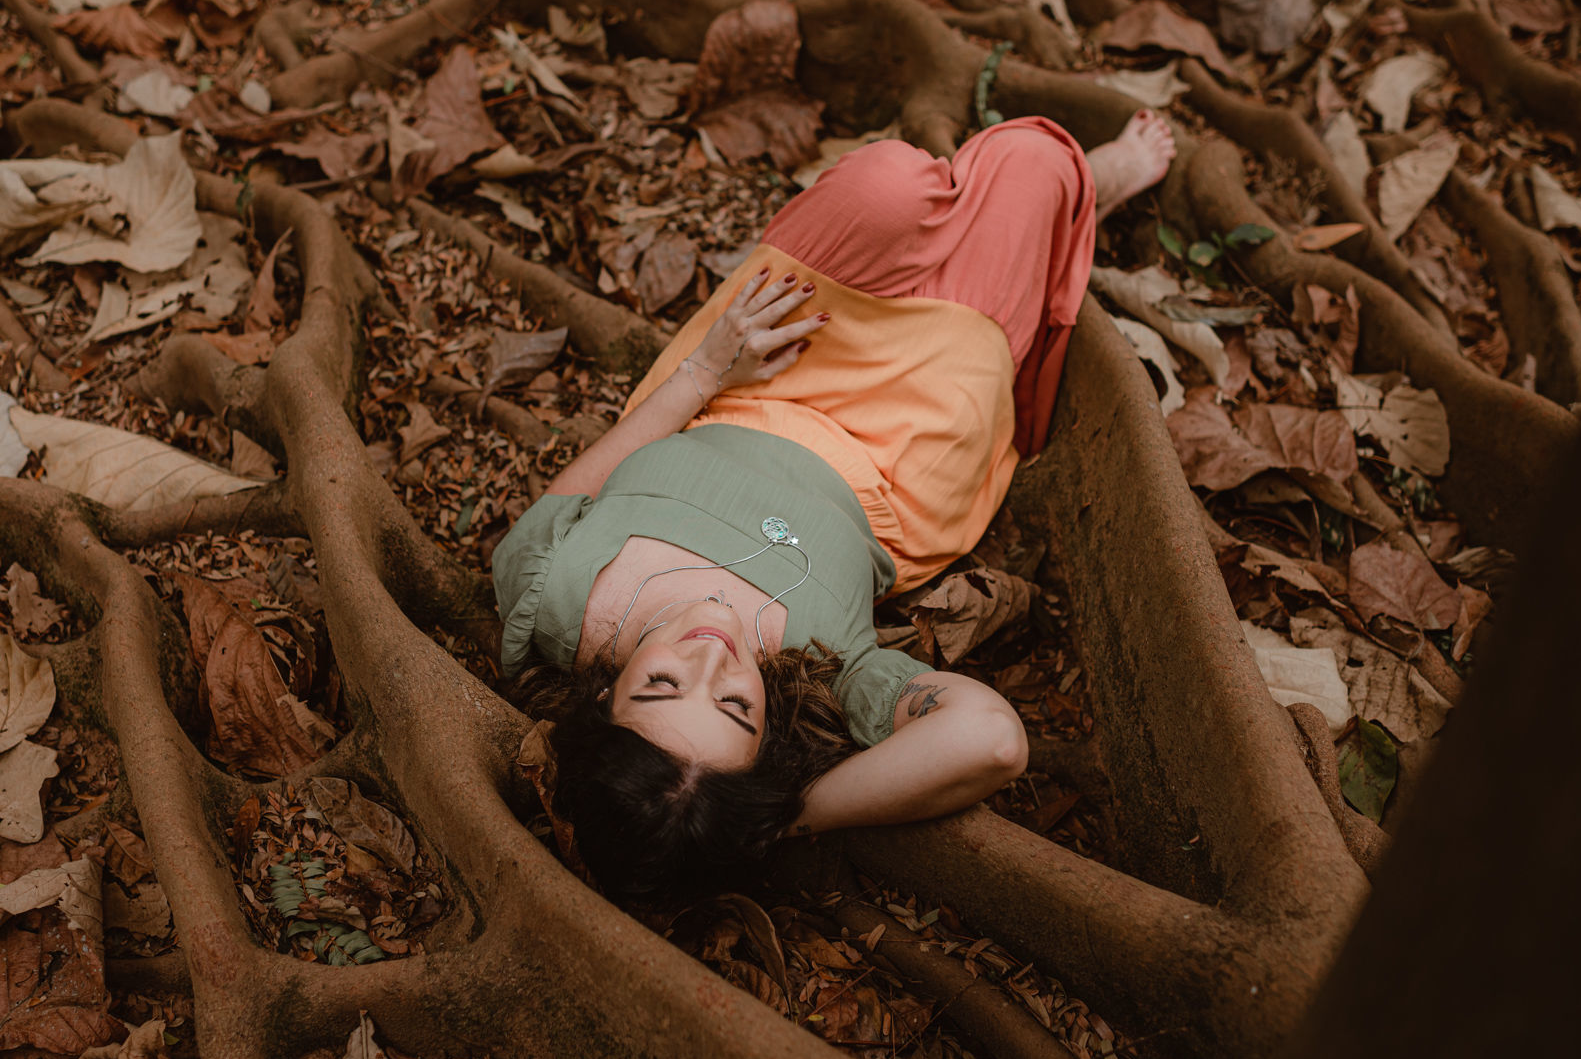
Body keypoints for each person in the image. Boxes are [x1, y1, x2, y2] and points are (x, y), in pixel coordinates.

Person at [495, 110, 1176, 905]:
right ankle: (1090, 192)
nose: (713, 656)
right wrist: (774, 820)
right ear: (767, 741)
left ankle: (1062, 211)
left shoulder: (552, 594)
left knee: (887, 184)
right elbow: (990, 741)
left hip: (748, 375)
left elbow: (582, 481)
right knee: (1031, 163)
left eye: (662, 684)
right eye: (734, 706)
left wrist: (709, 366)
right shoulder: (822, 678)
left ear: (603, 703)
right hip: (901, 452)